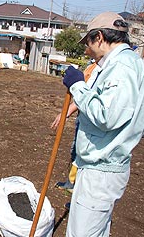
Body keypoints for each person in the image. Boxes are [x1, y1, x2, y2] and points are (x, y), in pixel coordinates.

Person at [62, 12, 144, 236]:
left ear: (99, 37)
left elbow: (106, 115)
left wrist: (77, 86)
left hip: (101, 172)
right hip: (100, 168)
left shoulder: (122, 67)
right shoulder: (125, 64)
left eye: (89, 43)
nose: (88, 50)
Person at [51, 58, 98, 194]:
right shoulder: (93, 66)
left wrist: (67, 112)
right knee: (77, 149)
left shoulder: (106, 70)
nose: (86, 48)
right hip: (83, 115)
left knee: (83, 151)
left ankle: (77, 187)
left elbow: (90, 95)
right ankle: (73, 183)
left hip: (92, 120)